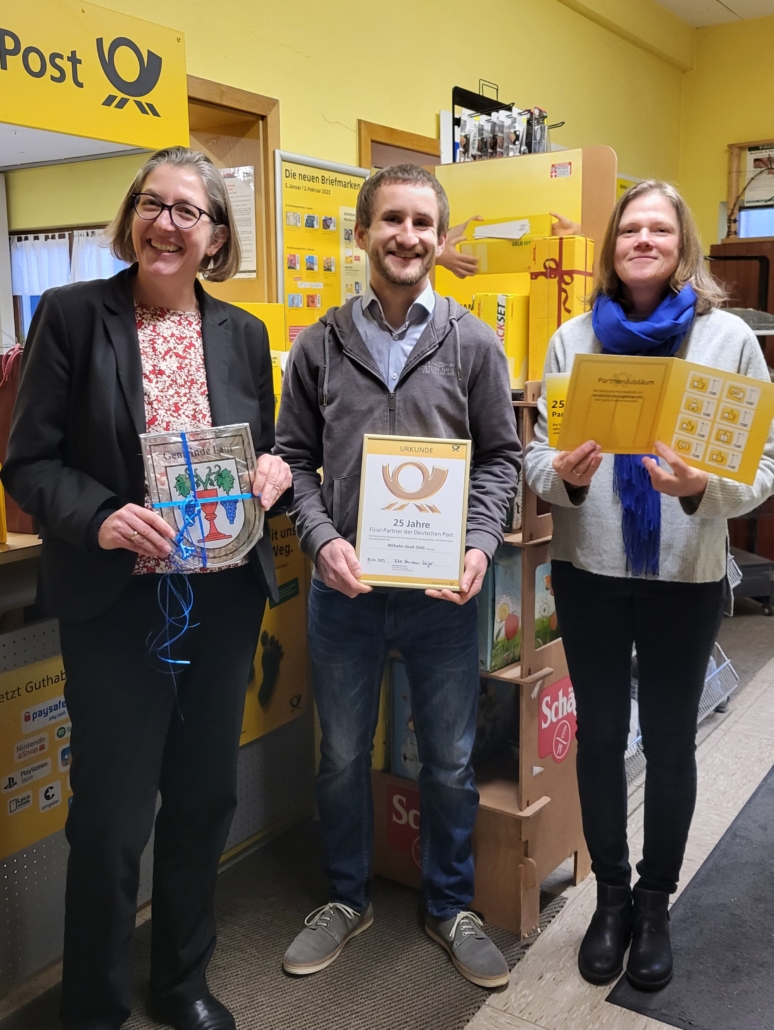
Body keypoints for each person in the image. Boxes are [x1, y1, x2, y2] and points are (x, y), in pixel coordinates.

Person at [2, 146, 291, 1030]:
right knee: (111, 820)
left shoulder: (243, 333)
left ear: (217, 236)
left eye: (187, 211)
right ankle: (94, 1005)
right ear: (131, 217)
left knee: (204, 800)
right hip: (118, 606)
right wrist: (99, 516)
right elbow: (28, 461)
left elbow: (266, 449)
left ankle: (181, 985)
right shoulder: (71, 314)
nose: (167, 224)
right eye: (152, 205)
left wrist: (275, 471)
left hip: (222, 600)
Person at [524, 180, 774, 992]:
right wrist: (563, 474)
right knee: (600, 738)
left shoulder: (728, 340)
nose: (643, 240)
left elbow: (763, 466)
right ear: (612, 246)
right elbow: (536, 458)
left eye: (659, 229)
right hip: (589, 571)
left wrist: (704, 487)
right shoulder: (571, 340)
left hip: (683, 576)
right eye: (630, 228)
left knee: (668, 741)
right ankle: (611, 898)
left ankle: (656, 901)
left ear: (682, 244)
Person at [274, 164, 521, 988]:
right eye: (392, 220)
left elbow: (501, 459)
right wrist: (319, 540)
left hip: (441, 596)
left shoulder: (474, 342)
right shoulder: (318, 344)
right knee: (341, 754)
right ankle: (346, 897)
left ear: (440, 239)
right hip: (343, 593)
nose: (407, 236)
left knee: (448, 760)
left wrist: (479, 545)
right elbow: (293, 460)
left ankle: (451, 906)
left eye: (422, 223)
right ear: (361, 234)